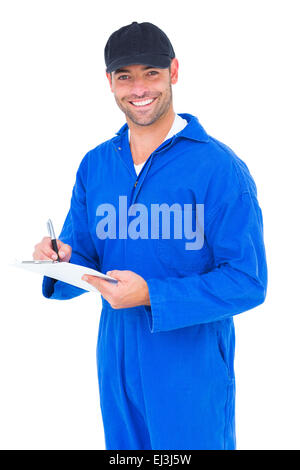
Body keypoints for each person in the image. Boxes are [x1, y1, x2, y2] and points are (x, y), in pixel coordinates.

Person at [33, 21, 268, 450]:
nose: (138, 88)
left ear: (174, 72)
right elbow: (82, 254)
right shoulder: (96, 165)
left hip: (189, 369)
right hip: (116, 363)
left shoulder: (218, 169)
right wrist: (58, 260)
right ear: (109, 82)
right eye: (125, 76)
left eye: (151, 73)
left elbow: (248, 282)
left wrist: (150, 295)